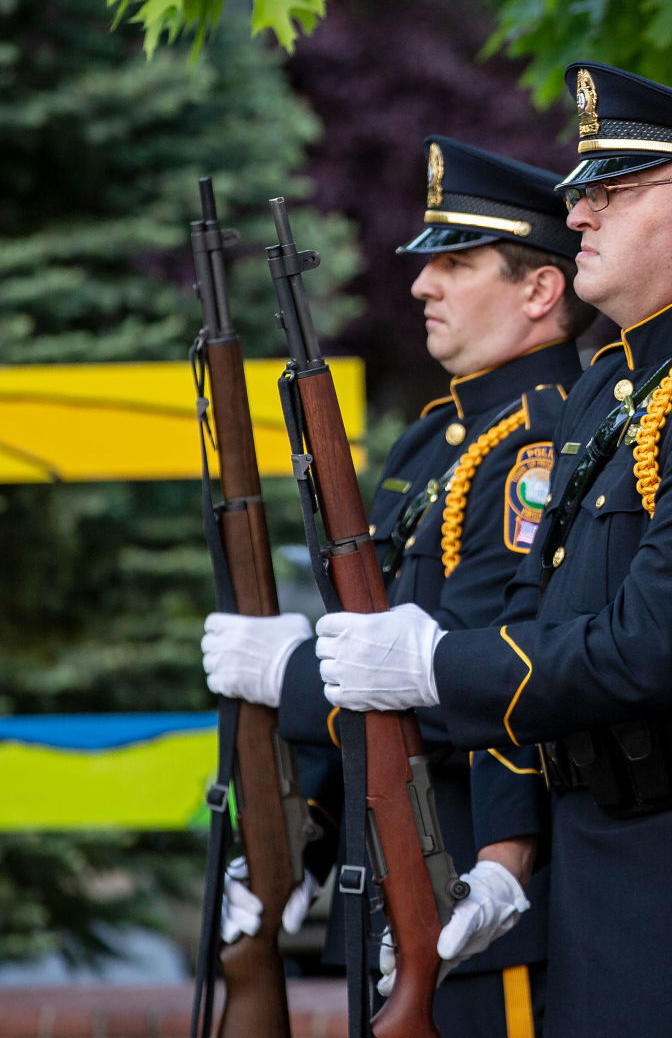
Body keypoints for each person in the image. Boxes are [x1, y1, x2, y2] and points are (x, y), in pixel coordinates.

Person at [312, 63, 672, 1038]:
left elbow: (657, 645)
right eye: (581, 190)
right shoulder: (614, 391)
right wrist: (509, 846)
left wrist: (431, 666)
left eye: (611, 190)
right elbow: (534, 618)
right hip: (591, 837)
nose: (579, 210)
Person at [201, 135, 592, 1036]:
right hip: (389, 869)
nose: (422, 285)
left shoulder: (540, 443)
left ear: (539, 289)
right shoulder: (431, 441)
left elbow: (468, 672)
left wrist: (289, 676)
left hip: (472, 880)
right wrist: (292, 835)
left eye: (455, 264)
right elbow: (365, 632)